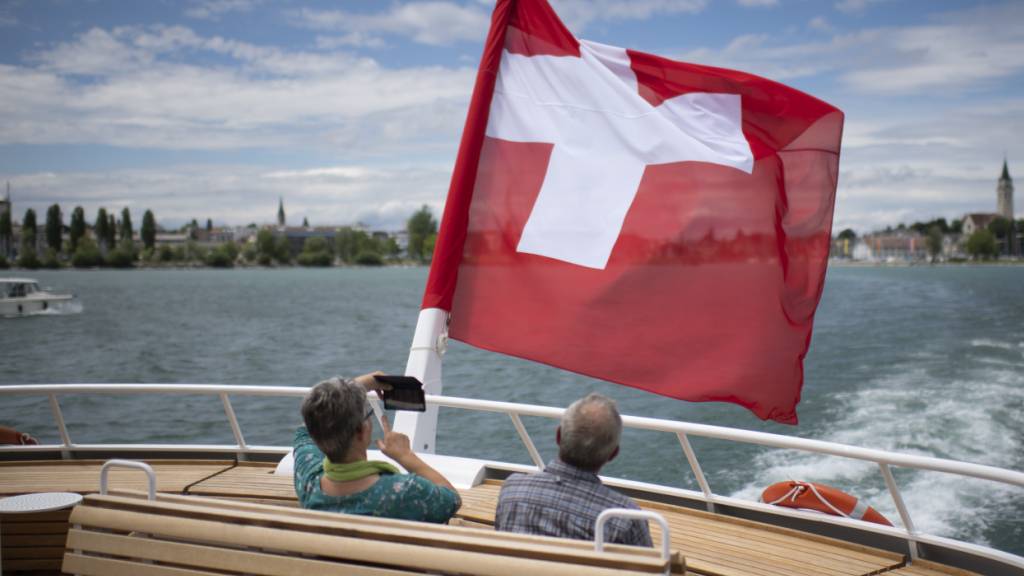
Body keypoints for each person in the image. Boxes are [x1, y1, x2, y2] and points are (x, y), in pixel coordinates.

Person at [293, 372, 461, 523]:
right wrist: (405, 456)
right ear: (361, 431)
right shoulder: (405, 492)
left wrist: (355, 388)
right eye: (368, 415)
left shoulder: (309, 482)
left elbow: (306, 429)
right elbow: (452, 499)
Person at [495, 393, 652, 546]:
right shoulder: (625, 519)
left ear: (558, 436)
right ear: (613, 454)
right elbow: (649, 570)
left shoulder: (512, 491)